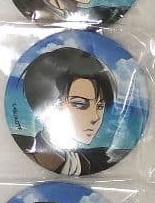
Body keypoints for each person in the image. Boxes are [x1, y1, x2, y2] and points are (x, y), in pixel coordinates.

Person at [16, 47, 120, 176]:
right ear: (49, 105)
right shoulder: (33, 158)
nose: (95, 117)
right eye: (80, 104)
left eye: (100, 106)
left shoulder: (81, 162)